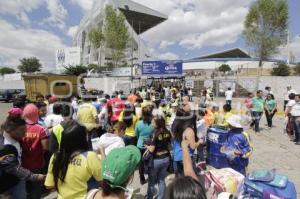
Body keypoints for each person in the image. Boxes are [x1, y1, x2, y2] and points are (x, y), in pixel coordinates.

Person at [44, 122, 102, 199]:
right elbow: (104, 182)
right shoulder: (90, 156)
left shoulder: (55, 156)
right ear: (81, 139)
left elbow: (49, 185)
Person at [0, 109, 45, 199]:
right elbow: (14, 169)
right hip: (7, 183)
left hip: (17, 180)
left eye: (25, 129)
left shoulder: (15, 138)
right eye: (22, 130)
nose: (25, 133)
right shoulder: (5, 147)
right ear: (10, 130)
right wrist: (34, 177)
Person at [21, 104, 49, 199]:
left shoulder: (19, 128)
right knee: (36, 188)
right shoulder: (41, 129)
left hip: (21, 164)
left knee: (25, 187)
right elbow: (45, 147)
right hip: (36, 163)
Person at [145, 117, 172, 199]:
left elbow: (152, 149)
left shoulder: (155, 133)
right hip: (166, 158)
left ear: (158, 123)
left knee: (151, 181)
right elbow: (170, 146)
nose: (151, 124)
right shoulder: (168, 131)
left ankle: (149, 197)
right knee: (161, 180)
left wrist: (146, 145)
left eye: (153, 122)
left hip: (156, 160)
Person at [171, 109, 203, 176]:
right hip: (186, 156)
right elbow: (193, 146)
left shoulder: (177, 126)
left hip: (176, 156)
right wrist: (199, 142)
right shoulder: (189, 130)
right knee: (189, 179)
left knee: (179, 178)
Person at [135, 106, 154, 185]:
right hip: (150, 145)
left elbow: (137, 134)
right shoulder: (153, 123)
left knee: (141, 163)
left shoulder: (139, 123)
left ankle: (142, 179)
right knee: (150, 162)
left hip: (140, 145)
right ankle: (151, 177)